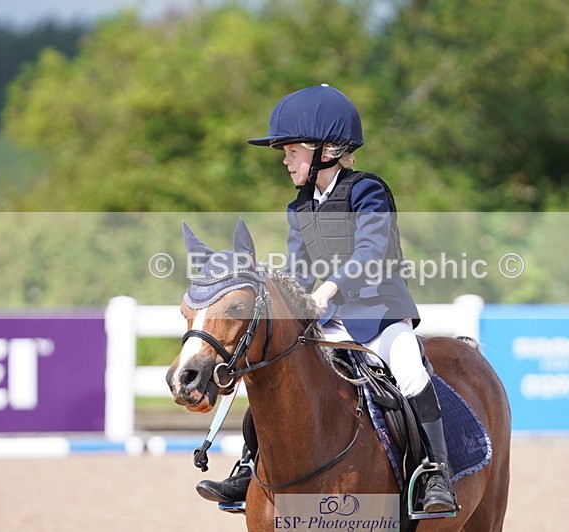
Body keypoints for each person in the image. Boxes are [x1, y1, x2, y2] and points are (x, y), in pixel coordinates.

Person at [196, 84, 457, 514]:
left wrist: (329, 288)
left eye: (291, 151)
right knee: (276, 371)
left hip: (380, 314)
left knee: (410, 372)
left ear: (326, 151)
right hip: (328, 320)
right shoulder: (299, 207)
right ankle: (248, 467)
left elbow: (371, 252)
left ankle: (435, 474)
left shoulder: (367, 191)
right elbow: (298, 270)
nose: (285, 160)